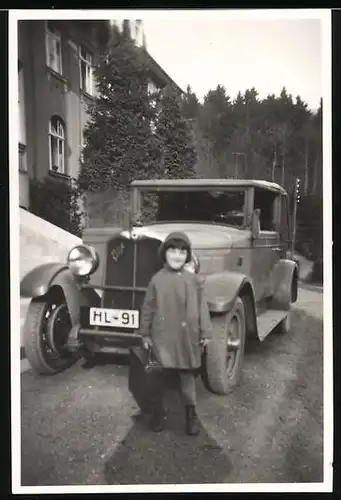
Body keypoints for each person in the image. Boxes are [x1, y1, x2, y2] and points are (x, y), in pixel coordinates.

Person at [138, 231, 212, 435]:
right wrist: (144, 333)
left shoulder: (194, 281)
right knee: (158, 377)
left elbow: (202, 308)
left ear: (187, 255)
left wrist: (205, 332)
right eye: (172, 251)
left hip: (186, 338)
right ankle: (158, 413)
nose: (177, 256)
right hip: (162, 337)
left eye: (182, 252)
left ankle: (191, 415)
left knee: (187, 378)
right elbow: (148, 308)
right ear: (165, 254)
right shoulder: (157, 280)